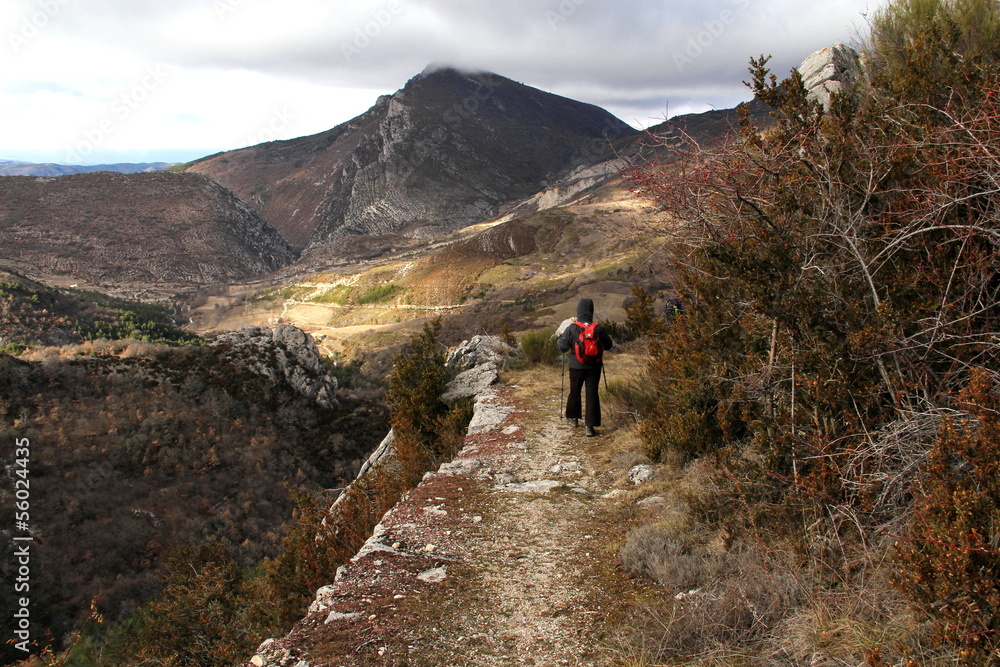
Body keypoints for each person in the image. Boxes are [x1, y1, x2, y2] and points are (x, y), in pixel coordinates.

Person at [557, 298, 614, 437]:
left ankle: (574, 419)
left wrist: (559, 339)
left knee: (574, 391)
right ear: (591, 311)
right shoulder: (598, 328)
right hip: (594, 367)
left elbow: (562, 347)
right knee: (592, 394)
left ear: (578, 311)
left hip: (576, 366)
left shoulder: (572, 327)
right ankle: (590, 427)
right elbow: (609, 345)